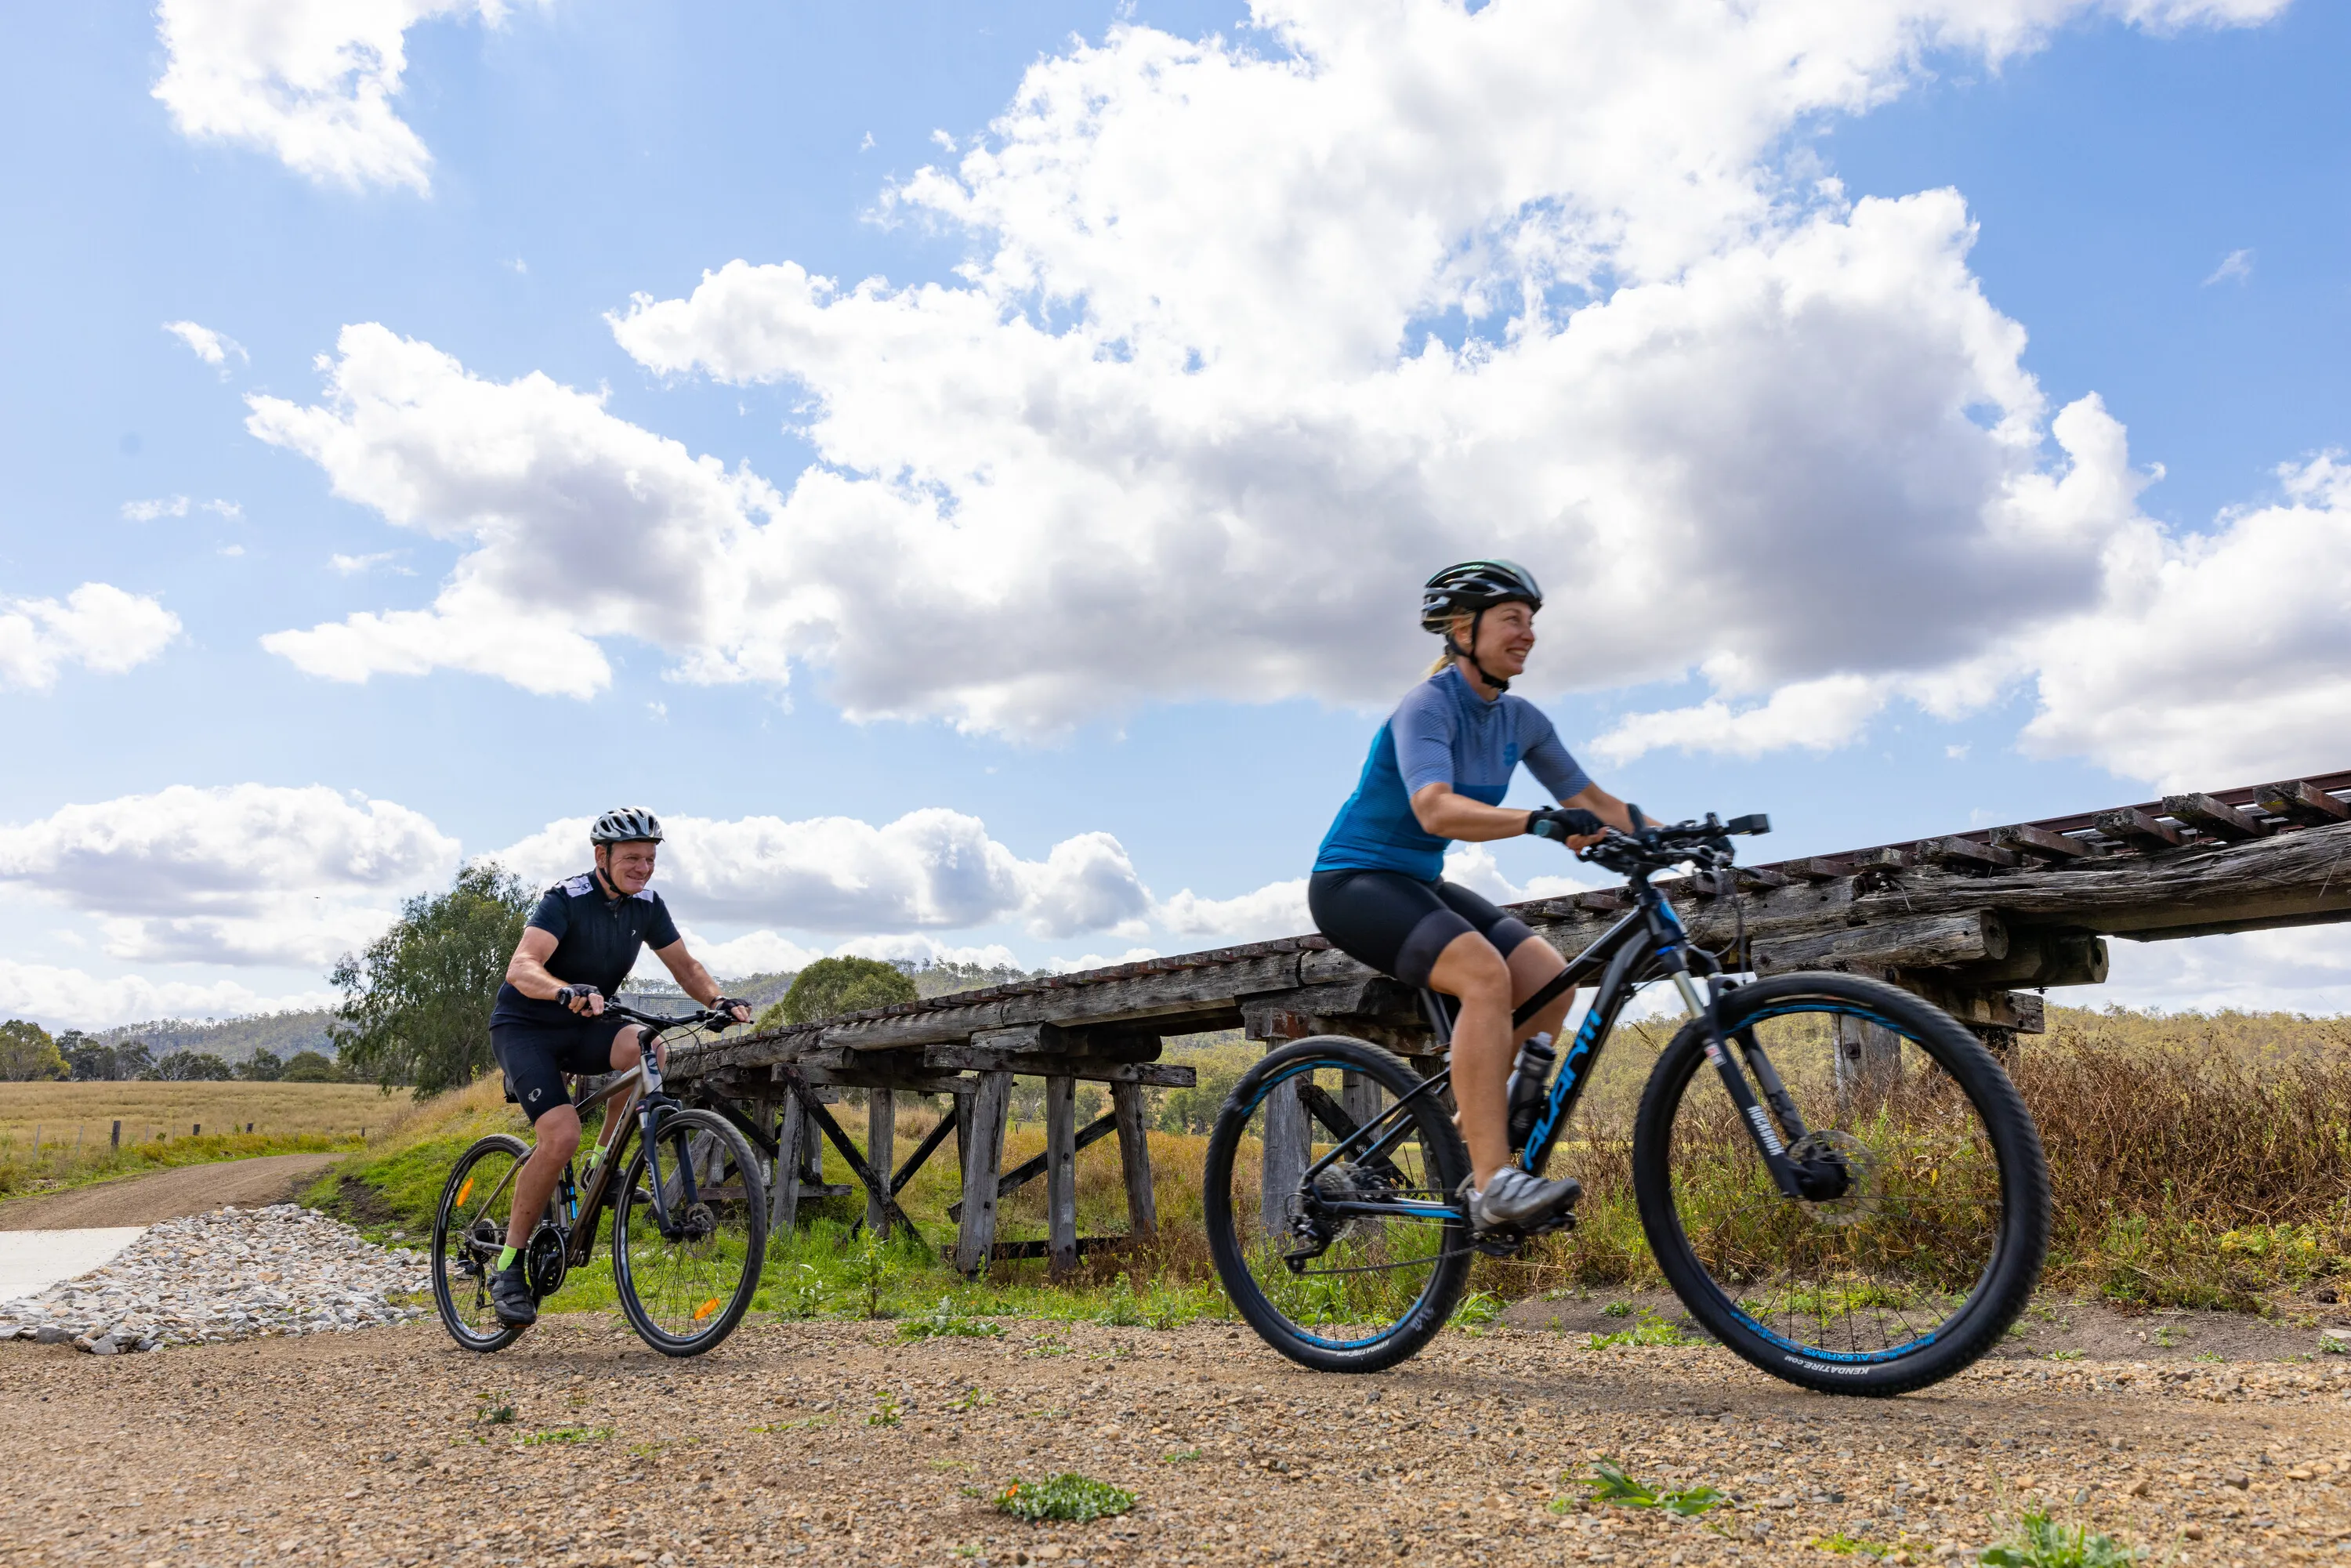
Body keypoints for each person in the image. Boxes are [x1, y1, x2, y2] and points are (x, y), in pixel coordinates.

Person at [1310, 560, 1647, 1236]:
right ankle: (1493, 1184)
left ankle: (1468, 1125)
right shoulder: (1427, 705)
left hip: (1419, 881)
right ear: (1463, 629)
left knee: (1551, 981)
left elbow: (1599, 803)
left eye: (1532, 621)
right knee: (1484, 976)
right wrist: (1537, 820)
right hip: (1353, 881)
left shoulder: (1520, 718)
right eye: (1512, 619)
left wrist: (1688, 836)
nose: (1527, 634)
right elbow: (1434, 809)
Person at [484, 807, 753, 1327]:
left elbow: (686, 967)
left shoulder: (648, 905)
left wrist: (718, 1000)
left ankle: (601, 1163)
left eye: (651, 859)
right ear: (601, 856)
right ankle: (509, 1267)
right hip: (528, 1027)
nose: (643, 868)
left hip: (586, 1020)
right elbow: (521, 966)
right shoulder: (566, 899)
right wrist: (563, 989)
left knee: (649, 1047)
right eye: (633, 858)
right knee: (559, 1134)